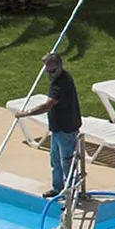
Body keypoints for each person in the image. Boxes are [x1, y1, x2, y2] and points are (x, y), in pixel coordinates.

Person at [24, 52, 82, 198]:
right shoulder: (57, 79)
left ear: (61, 67)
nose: (50, 74)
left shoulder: (61, 83)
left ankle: (70, 196)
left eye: (53, 71)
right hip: (57, 129)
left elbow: (47, 106)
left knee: (67, 164)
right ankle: (58, 189)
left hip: (66, 129)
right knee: (55, 161)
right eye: (47, 71)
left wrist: (25, 113)